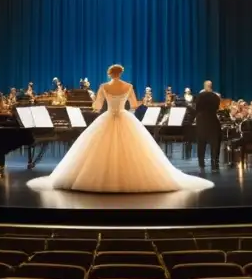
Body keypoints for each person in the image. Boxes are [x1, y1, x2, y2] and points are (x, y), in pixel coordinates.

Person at [27, 65, 214, 193]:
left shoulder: (103, 86)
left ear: (110, 74)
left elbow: (97, 106)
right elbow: (133, 105)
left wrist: (98, 101)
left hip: (107, 117)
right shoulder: (128, 86)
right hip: (125, 117)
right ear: (120, 73)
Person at [195, 80, 222, 171]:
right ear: (211, 86)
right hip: (213, 122)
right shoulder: (216, 97)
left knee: (201, 144)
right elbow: (217, 108)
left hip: (201, 123)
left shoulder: (200, 96)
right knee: (214, 144)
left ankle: (201, 163)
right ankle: (214, 163)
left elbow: (197, 108)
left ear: (204, 86)